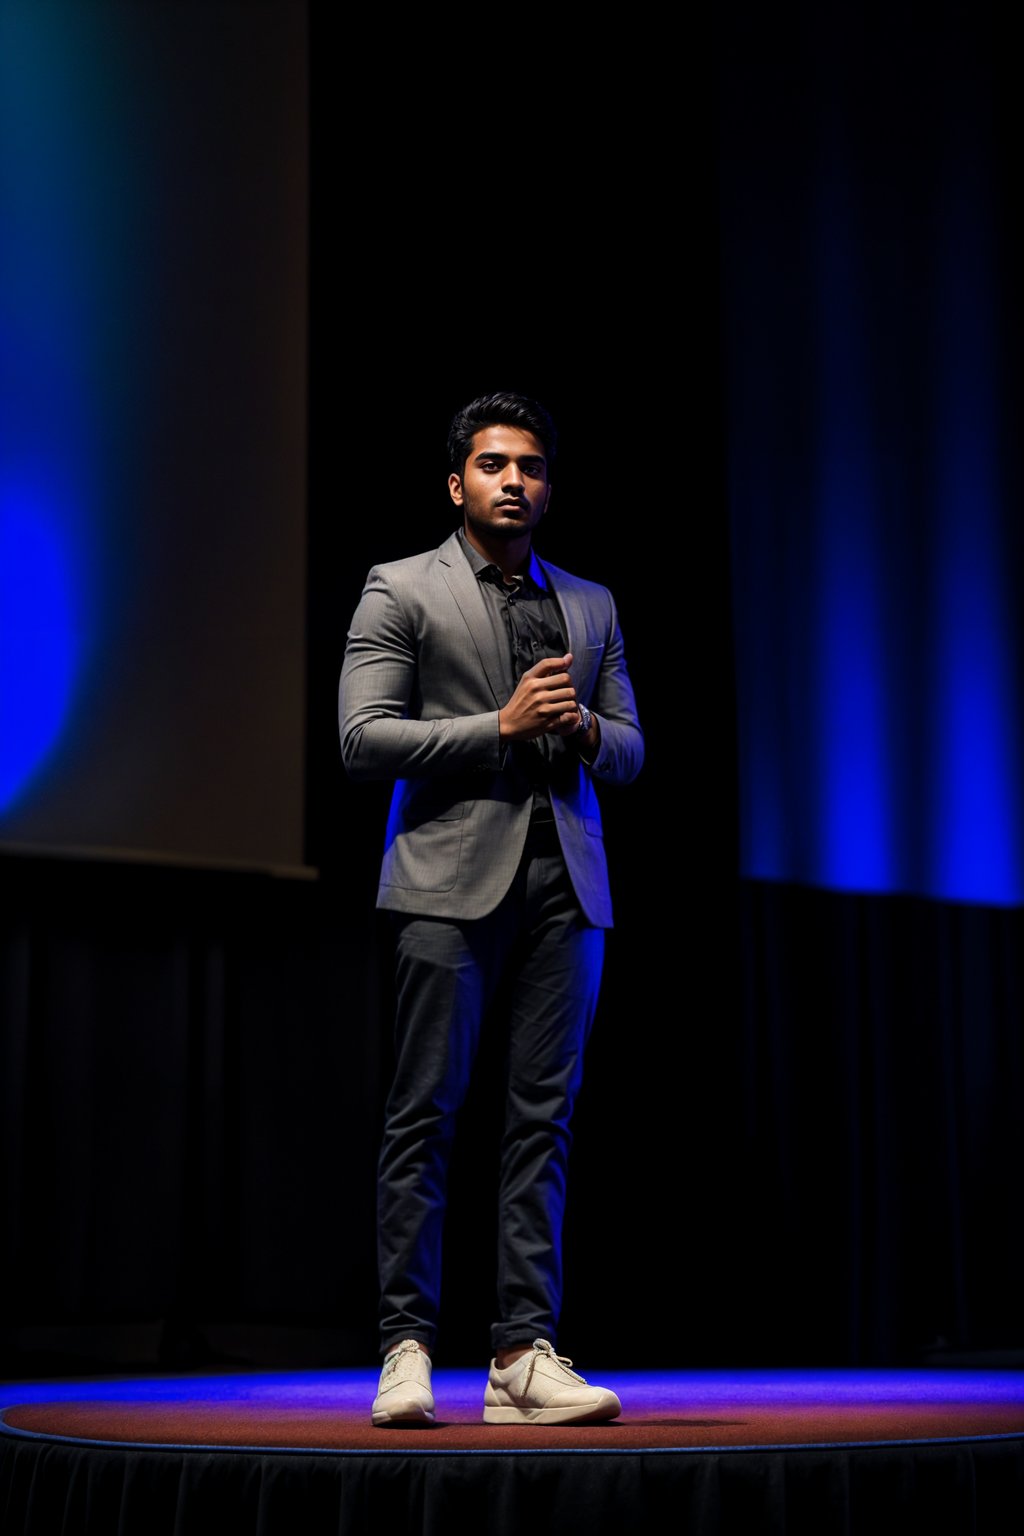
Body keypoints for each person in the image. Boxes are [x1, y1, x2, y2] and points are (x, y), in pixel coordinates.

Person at [338, 390, 644, 1427]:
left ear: (547, 486)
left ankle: (520, 1353)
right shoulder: (400, 587)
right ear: (456, 482)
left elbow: (633, 743)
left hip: (569, 882)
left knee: (541, 1125)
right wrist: (498, 725)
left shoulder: (591, 604)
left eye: (531, 466)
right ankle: (406, 1347)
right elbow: (363, 738)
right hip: (446, 878)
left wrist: (593, 737)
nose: (514, 479)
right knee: (425, 1113)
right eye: (493, 464)